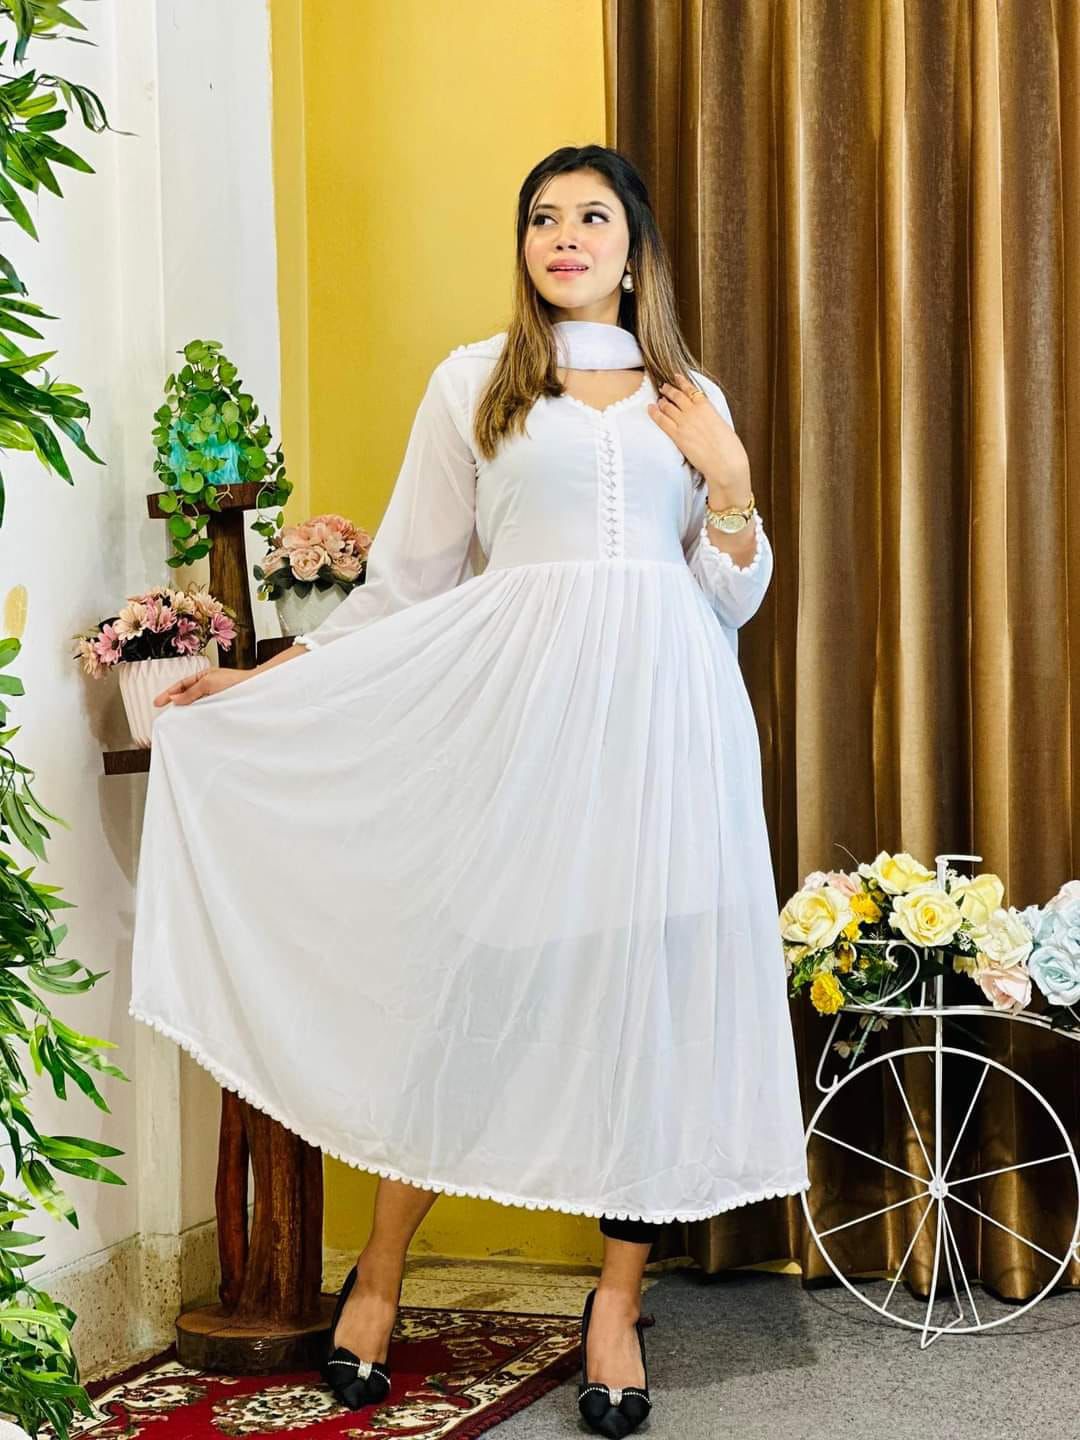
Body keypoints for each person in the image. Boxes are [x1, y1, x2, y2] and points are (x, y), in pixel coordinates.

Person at [131, 143, 809, 1436]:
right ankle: (380, 1274)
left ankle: (615, 1307)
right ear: (525, 245)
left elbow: (727, 598)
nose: (565, 236)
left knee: (645, 1012)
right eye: (543, 217)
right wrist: (263, 682)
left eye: (592, 216)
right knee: (473, 988)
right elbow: (408, 581)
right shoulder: (475, 384)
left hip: (668, 733)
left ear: (634, 249)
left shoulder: (690, 396)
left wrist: (730, 484)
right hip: (524, 725)